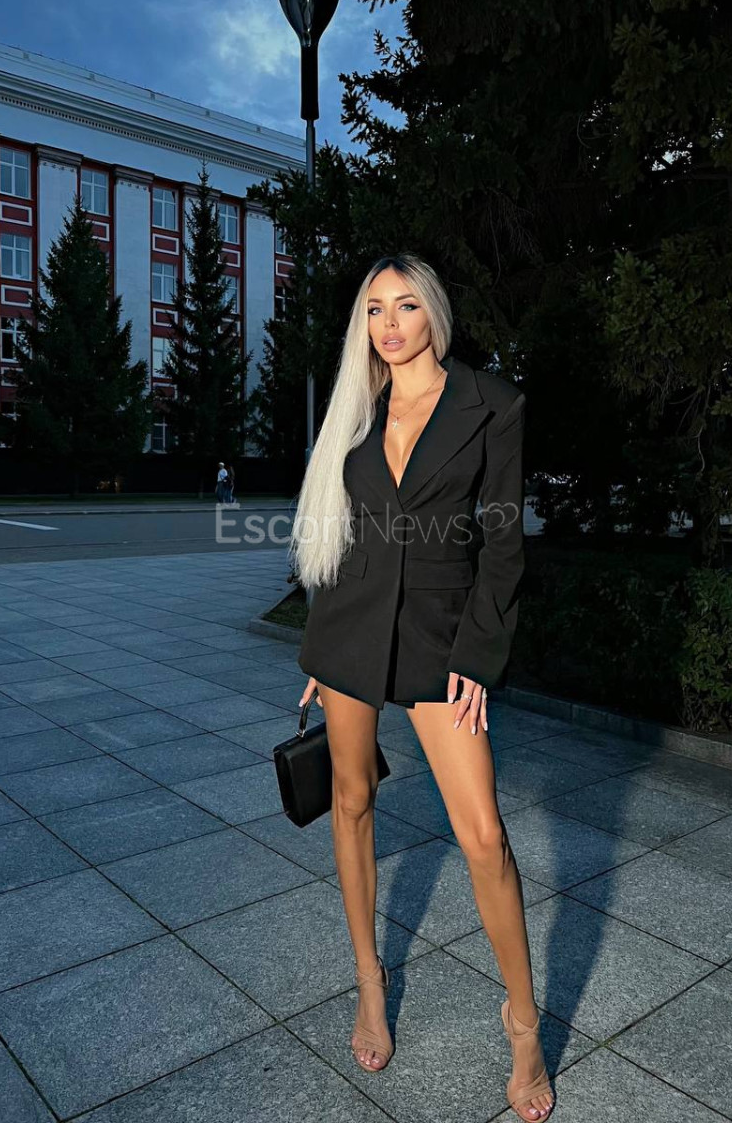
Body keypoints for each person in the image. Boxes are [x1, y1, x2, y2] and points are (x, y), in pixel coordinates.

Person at [290, 253, 552, 1120]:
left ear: (433, 312)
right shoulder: (355, 409)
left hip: (445, 635)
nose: (389, 325)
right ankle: (369, 981)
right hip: (352, 629)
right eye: (374, 310)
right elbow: (336, 531)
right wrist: (319, 655)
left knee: (484, 837)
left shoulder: (493, 404)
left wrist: (480, 654)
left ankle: (523, 1024)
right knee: (351, 799)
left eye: (405, 306)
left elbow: (503, 543)